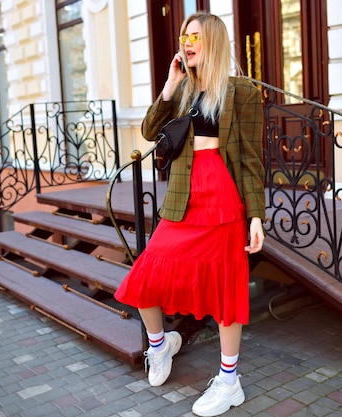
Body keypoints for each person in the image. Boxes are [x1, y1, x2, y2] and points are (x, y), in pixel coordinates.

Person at [114, 12, 265, 417]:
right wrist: (169, 85)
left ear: (213, 41)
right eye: (184, 36)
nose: (187, 42)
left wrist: (256, 216)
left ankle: (229, 382)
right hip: (183, 197)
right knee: (146, 276)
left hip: (222, 197)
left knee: (226, 289)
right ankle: (160, 346)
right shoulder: (181, 89)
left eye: (195, 36)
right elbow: (149, 132)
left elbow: (251, 160)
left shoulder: (242, 92)